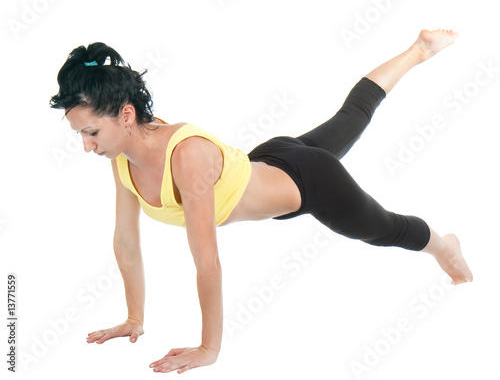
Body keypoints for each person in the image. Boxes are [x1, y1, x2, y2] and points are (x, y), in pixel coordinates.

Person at [50, 28, 473, 374]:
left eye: (91, 133)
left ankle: (443, 245)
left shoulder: (187, 156)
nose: (87, 146)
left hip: (312, 183)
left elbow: (207, 261)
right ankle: (420, 48)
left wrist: (208, 348)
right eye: (80, 135)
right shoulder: (121, 154)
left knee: (384, 229)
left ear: (125, 115)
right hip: (273, 158)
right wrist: (134, 318)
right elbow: (125, 242)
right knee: (350, 119)